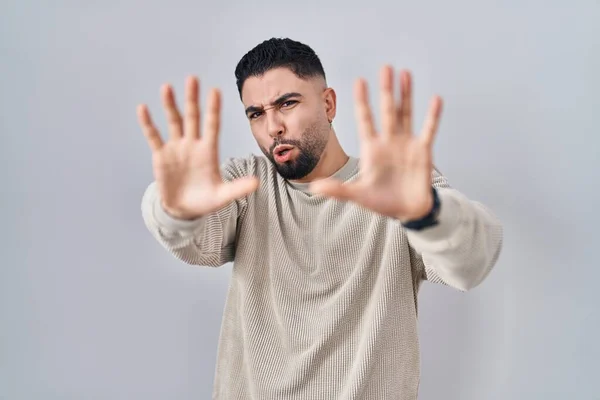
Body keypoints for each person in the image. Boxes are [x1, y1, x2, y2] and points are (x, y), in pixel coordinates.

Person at [138, 37, 503, 399]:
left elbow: (470, 262)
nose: (273, 127)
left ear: (328, 104)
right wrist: (175, 209)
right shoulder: (245, 184)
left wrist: (427, 213)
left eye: (287, 103)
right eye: (256, 113)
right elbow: (192, 239)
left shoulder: (394, 187)